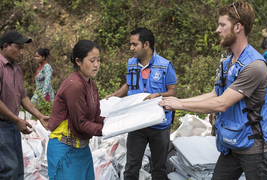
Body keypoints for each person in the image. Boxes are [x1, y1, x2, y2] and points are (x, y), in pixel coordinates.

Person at [159, 2, 267, 179]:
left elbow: (221, 103)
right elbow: (214, 95)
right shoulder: (228, 62)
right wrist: (176, 102)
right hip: (231, 144)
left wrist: (179, 104)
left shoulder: (254, 66)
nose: (217, 30)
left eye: (222, 25)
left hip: (253, 148)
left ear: (237, 27)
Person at [105, 27, 177, 180]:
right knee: (132, 166)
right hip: (136, 124)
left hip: (159, 124)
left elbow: (173, 92)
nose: (131, 48)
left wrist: (158, 95)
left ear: (146, 44)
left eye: (134, 44)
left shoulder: (164, 65)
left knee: (159, 168)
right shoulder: (131, 63)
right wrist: (114, 95)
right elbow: (128, 85)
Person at [47, 40, 105, 180]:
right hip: (65, 149)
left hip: (82, 149)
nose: (96, 65)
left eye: (98, 60)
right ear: (78, 61)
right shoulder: (75, 86)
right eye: (92, 60)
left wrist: (117, 122)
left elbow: (95, 116)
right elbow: (81, 123)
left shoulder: (91, 84)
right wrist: (105, 130)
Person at [0, 30, 49, 180]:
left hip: (13, 126)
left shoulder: (16, 69)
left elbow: (22, 96)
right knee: (8, 169)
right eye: (19, 47)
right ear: (6, 46)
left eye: (23, 48)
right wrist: (17, 120)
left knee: (18, 170)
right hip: (2, 126)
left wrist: (40, 116)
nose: (22, 52)